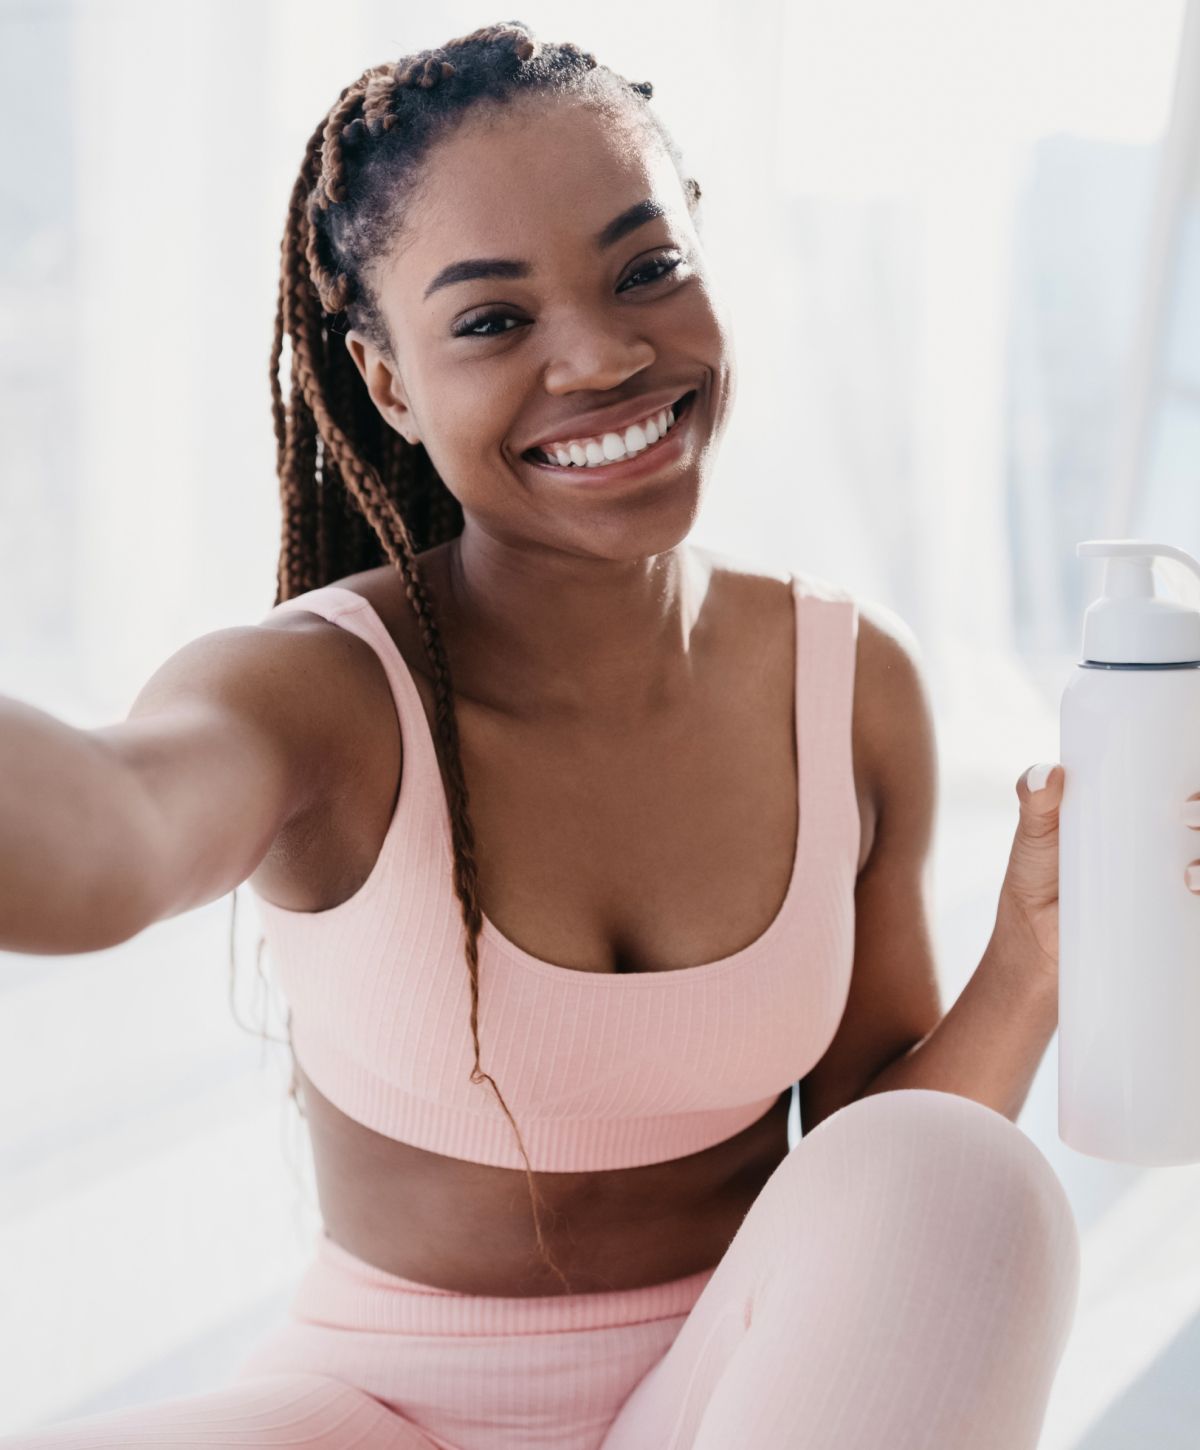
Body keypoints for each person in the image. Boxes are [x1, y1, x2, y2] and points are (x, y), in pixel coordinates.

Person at [0, 19, 1087, 1449]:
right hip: (383, 1416)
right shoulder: (322, 693)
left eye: (648, 268)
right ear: (387, 381)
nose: (602, 355)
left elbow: (880, 1176)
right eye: (493, 319)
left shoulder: (848, 679)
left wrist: (1037, 947)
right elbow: (108, 833)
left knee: (960, 1176)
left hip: (742, 1407)